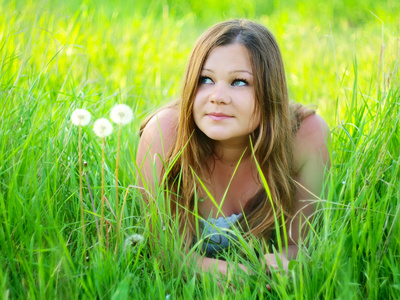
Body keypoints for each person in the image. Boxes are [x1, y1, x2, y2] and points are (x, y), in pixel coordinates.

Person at [136, 19, 330, 277]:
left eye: (239, 82)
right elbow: (162, 249)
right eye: (205, 79)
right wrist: (212, 270)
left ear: (270, 88)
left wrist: (280, 264)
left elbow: (301, 245)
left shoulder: (306, 134)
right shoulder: (165, 134)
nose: (217, 96)